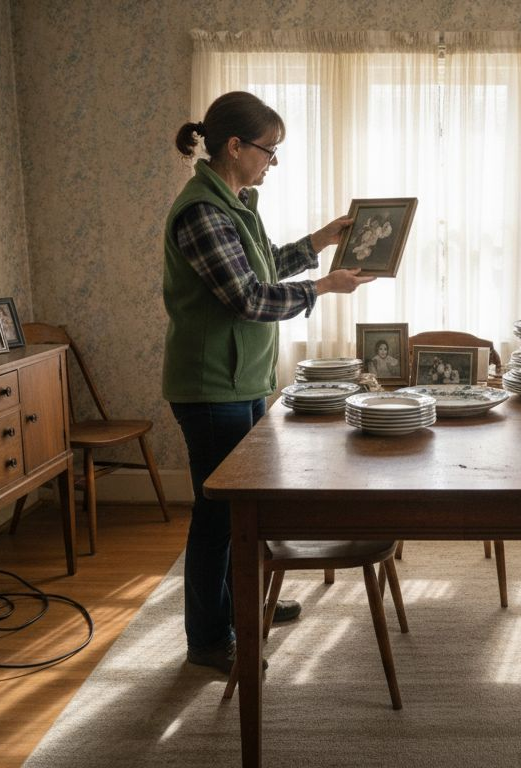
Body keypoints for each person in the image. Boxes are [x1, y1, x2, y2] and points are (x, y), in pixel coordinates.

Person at [163, 91, 373, 673]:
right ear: (235, 146)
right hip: (211, 387)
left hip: (241, 380)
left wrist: (320, 241)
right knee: (217, 516)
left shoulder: (235, 203)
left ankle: (243, 603)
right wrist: (323, 288)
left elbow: (263, 266)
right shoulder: (201, 212)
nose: (272, 162)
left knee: (244, 509)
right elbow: (249, 298)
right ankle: (209, 639)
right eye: (269, 150)